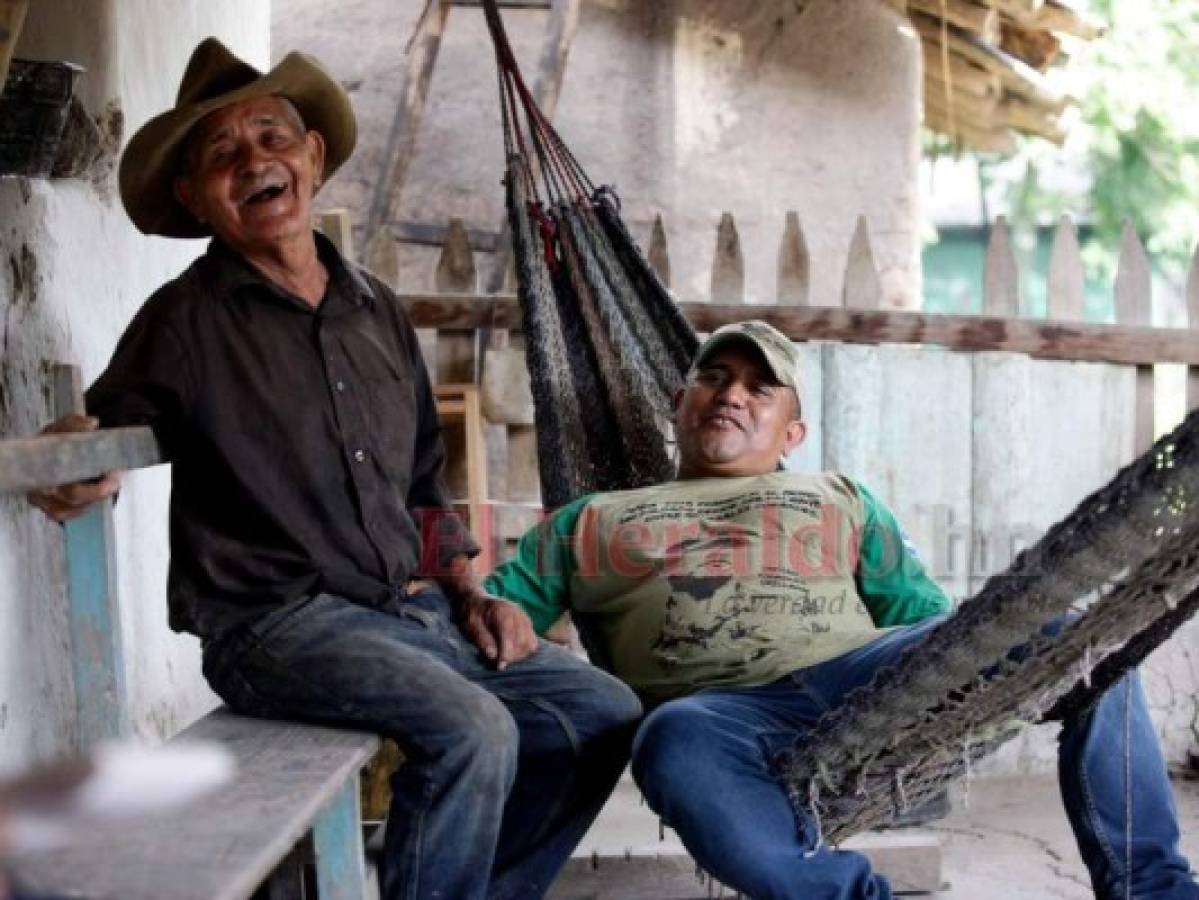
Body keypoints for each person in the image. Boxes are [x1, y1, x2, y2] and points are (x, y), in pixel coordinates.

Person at [26, 38, 641, 900]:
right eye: (222, 155)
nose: (255, 163)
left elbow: (425, 479)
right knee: (473, 732)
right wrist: (78, 457)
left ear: (311, 156)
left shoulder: (376, 310)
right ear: (194, 198)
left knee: (600, 712)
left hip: (408, 614)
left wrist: (471, 596)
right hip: (274, 629)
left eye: (273, 138)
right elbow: (106, 431)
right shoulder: (184, 320)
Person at [486, 320, 1199, 900]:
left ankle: (1151, 888)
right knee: (668, 740)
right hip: (715, 710)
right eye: (713, 377)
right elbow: (500, 612)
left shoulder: (837, 496)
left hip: (861, 679)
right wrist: (498, 615)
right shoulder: (589, 518)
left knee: (1082, 644)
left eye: (760, 388)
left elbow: (928, 621)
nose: (732, 394)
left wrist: (968, 676)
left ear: (791, 435)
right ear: (678, 404)